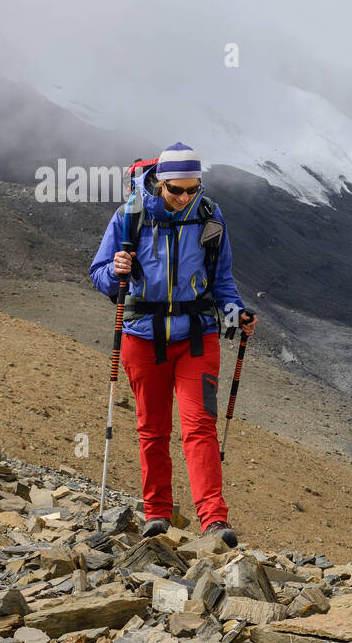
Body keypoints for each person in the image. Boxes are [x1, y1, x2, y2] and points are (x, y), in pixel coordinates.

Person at [89, 142, 256, 547]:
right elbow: (98, 274)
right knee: (152, 428)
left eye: (192, 189)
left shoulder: (209, 216)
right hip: (142, 337)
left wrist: (236, 317)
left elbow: (221, 282)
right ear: (159, 183)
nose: (184, 198)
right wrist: (115, 270)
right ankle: (157, 515)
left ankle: (214, 521)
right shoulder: (129, 216)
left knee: (199, 427)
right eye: (175, 190)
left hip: (197, 337)